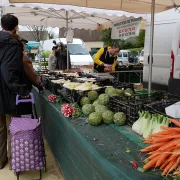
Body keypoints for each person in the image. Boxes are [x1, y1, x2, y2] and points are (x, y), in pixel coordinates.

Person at [0, 14, 29, 169]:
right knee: (14, 128)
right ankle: (14, 163)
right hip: (7, 92)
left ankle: (0, 161)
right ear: (16, 27)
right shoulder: (12, 44)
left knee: (0, 129)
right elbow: (8, 71)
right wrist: (21, 89)